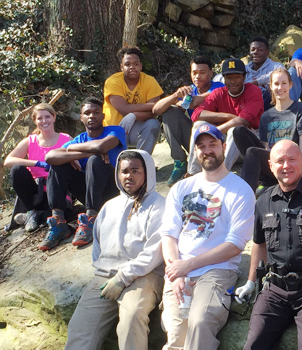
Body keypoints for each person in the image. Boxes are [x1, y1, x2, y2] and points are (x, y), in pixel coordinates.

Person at [235, 139, 302, 350]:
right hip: (274, 290)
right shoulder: (263, 200)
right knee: (253, 346)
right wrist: (250, 282)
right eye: (280, 161)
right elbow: (260, 244)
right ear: (270, 166)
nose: (286, 166)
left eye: (292, 159)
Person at [160, 123, 255, 350]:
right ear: (195, 152)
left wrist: (188, 265)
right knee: (175, 335)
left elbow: (235, 245)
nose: (207, 150)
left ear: (223, 147)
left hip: (217, 270)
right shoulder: (180, 189)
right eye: (201, 146)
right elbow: (169, 236)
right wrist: (177, 271)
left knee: (200, 324)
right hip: (179, 271)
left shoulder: (240, 190)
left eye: (212, 144)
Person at [64, 150, 165, 350]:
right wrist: (108, 274)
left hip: (145, 276)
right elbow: (98, 247)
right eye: (124, 171)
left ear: (147, 173)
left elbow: (156, 251)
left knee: (131, 319)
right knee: (79, 329)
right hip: (105, 278)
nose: (129, 176)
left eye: (135, 170)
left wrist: (123, 278)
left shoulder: (160, 206)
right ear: (118, 174)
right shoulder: (109, 207)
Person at [42, 97, 127, 251]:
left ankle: (91, 218)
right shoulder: (79, 140)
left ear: (103, 115)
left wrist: (72, 150)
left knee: (95, 160)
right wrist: (81, 154)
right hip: (91, 193)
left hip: (115, 191)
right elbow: (50, 157)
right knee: (58, 166)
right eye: (87, 113)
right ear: (81, 117)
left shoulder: (116, 131)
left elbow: (101, 146)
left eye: (96, 112)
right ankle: (58, 222)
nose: (91, 116)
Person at [234, 68, 302, 192]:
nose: (280, 87)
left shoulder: (301, 109)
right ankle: (263, 182)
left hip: (290, 162)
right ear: (270, 86)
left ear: (291, 85)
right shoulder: (266, 116)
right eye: (276, 84)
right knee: (238, 131)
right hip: (273, 164)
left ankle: (245, 194)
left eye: (284, 83)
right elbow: (266, 147)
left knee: (252, 152)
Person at [153, 55, 225, 187]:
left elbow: (194, 102)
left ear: (211, 73)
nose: (197, 76)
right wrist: (175, 95)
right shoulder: (190, 89)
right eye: (194, 73)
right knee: (170, 112)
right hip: (196, 140)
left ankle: (195, 171)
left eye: (202, 72)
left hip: (219, 138)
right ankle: (180, 161)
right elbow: (156, 110)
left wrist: (183, 98)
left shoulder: (219, 87)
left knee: (200, 123)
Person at [187, 58, 263, 176]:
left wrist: (214, 132)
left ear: (244, 77)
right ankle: (193, 172)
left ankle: (220, 173)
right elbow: (196, 114)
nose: (232, 81)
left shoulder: (253, 91)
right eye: (229, 77)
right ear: (224, 78)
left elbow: (243, 120)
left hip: (248, 145)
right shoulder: (219, 92)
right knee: (199, 125)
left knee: (235, 129)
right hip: (224, 146)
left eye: (236, 77)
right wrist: (227, 116)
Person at [4, 103, 71, 232]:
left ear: (54, 117)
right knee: (17, 169)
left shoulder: (66, 139)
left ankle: (35, 216)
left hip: (57, 190)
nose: (44, 121)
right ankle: (31, 212)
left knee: (55, 216)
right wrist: (37, 163)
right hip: (36, 193)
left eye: (47, 117)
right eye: (40, 118)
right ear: (35, 121)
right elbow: (8, 161)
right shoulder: (30, 141)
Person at [103, 45, 163, 155]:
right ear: (121, 67)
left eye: (136, 64)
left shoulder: (150, 81)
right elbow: (124, 109)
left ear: (140, 66)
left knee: (153, 124)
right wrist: (152, 105)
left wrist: (134, 115)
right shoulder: (112, 82)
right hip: (113, 129)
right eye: (127, 64)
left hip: (136, 128)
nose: (132, 67)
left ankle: (142, 161)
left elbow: (154, 112)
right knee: (118, 164)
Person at [245, 36, 285, 110]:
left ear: (267, 52)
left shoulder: (275, 66)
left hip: (269, 106)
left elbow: (282, 74)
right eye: (253, 50)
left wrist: (257, 82)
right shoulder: (244, 70)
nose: (256, 52)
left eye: (260, 50)